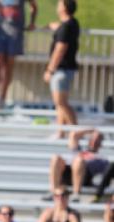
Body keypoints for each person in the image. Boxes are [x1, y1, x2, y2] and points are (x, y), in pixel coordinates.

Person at [0, 0, 38, 109]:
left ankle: (2, 98)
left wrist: (32, 22)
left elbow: (34, 6)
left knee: (8, 66)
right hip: (0, 33)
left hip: (15, 34)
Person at [43, 0, 80, 138]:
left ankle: (76, 132)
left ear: (64, 7)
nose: (57, 6)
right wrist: (53, 26)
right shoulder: (72, 24)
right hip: (65, 70)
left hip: (61, 70)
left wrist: (50, 70)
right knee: (60, 104)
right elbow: (63, 28)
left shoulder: (66, 28)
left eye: (59, 4)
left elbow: (60, 49)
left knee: (61, 102)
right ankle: (60, 132)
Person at [44, 129, 111, 203]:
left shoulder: (101, 158)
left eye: (97, 140)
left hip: (84, 176)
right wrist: (92, 130)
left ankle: (76, 193)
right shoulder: (79, 150)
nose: (94, 141)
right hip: (69, 173)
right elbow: (74, 134)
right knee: (55, 158)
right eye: (93, 138)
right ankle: (54, 190)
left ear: (100, 144)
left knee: (79, 160)